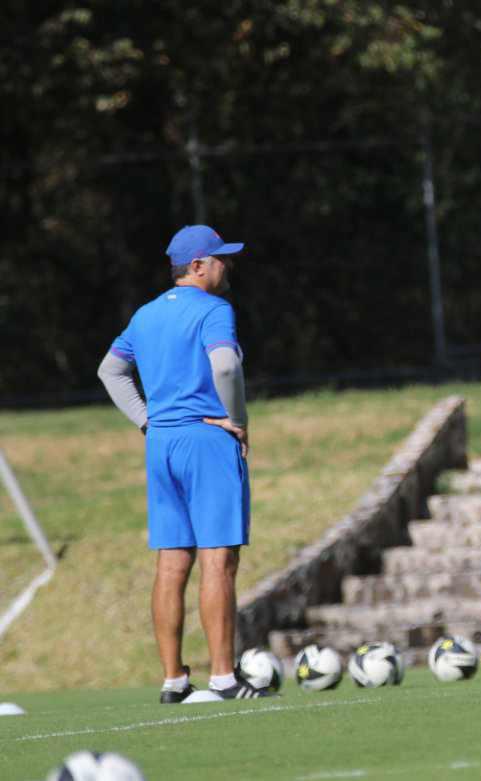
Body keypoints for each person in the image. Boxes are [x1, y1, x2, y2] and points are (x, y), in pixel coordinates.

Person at [97, 224, 273, 701]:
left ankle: (174, 680)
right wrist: (236, 419)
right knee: (219, 558)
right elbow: (225, 366)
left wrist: (146, 421)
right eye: (220, 258)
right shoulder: (215, 309)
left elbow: (109, 370)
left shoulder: (146, 314)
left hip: (163, 446)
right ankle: (223, 679)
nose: (228, 265)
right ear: (197, 266)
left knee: (173, 562)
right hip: (207, 438)